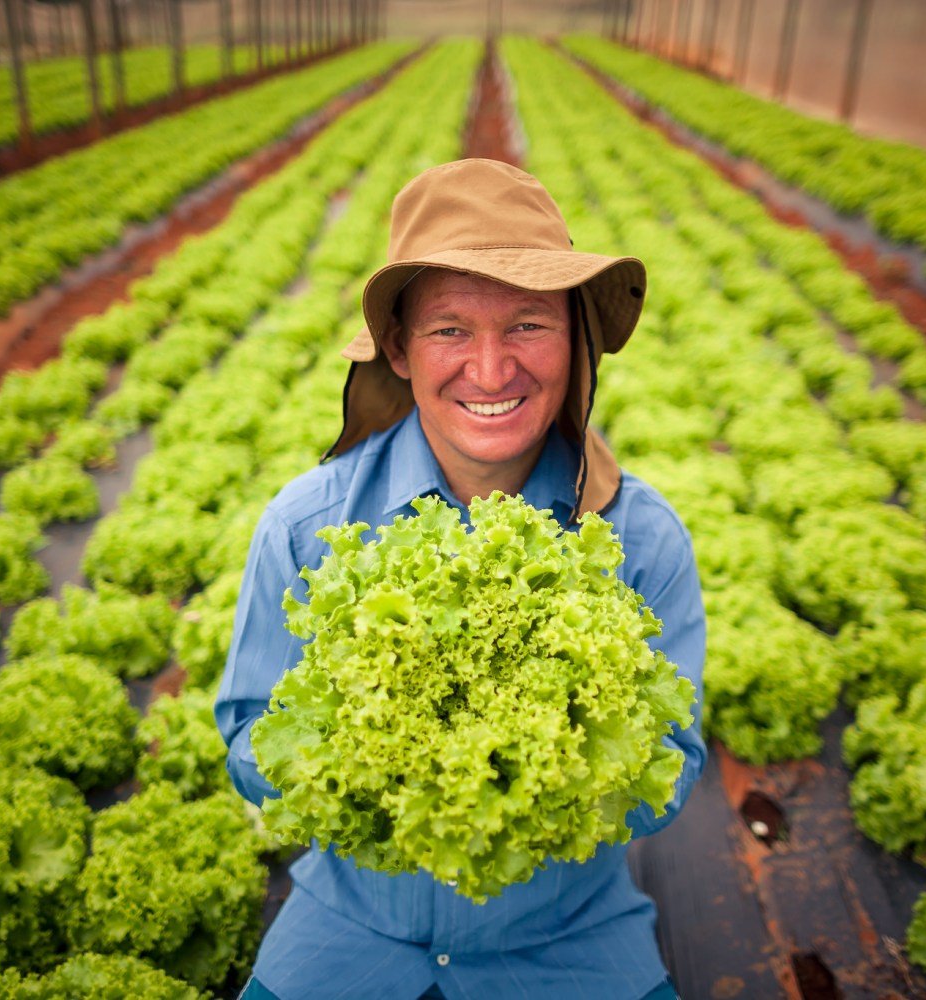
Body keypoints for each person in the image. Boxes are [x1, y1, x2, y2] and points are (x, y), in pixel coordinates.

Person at [214, 158, 707, 1000]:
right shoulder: (307, 524)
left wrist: (546, 782)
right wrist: (379, 771)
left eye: (527, 325)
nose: (489, 370)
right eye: (449, 329)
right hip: (350, 932)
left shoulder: (640, 537)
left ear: (577, 339)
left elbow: (670, 758)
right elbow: (252, 731)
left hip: (569, 943)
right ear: (399, 350)